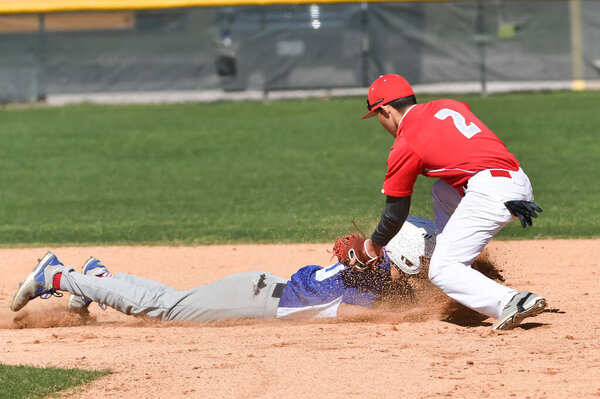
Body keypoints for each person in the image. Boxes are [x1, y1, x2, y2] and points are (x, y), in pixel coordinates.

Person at [342, 74, 547, 331]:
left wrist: (374, 245)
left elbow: (395, 213)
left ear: (385, 110)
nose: (380, 123)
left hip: (489, 192)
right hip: (516, 181)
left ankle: (512, 300)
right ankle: (459, 267)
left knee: (441, 271)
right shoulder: (448, 105)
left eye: (378, 116)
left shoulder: (406, 143)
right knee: (442, 190)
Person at [10, 218, 436, 322]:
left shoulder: (368, 266)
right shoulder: (367, 291)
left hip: (261, 289)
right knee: (166, 309)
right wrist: (430, 310)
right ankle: (58, 275)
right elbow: (373, 315)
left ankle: (97, 279)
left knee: (169, 297)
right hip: (252, 299)